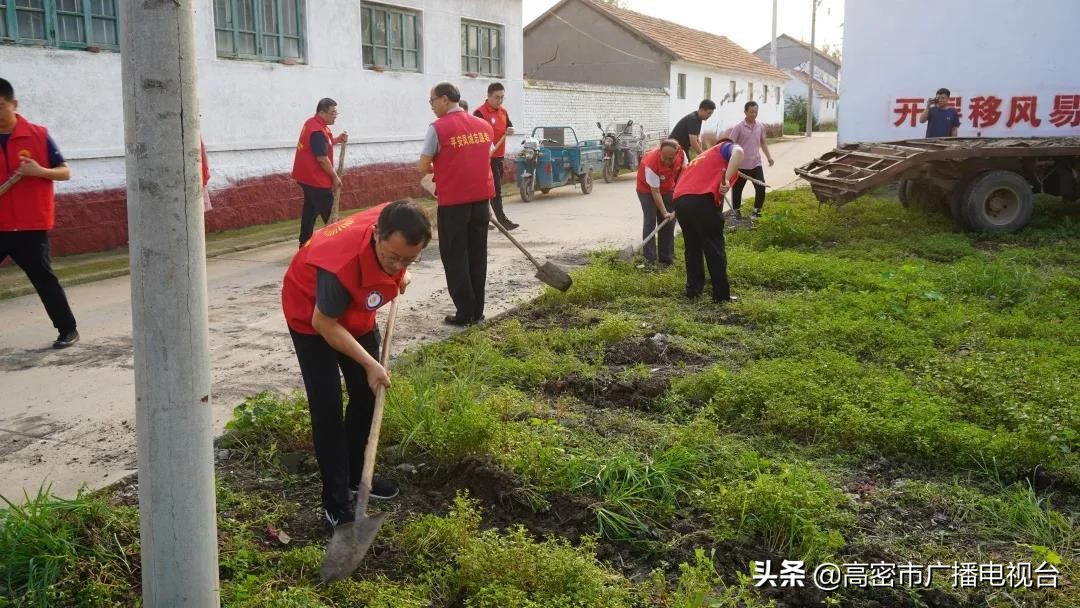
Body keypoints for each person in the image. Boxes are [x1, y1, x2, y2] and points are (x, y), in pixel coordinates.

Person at [281, 199, 430, 528]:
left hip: (355, 310)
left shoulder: (399, 219)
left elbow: (396, 259)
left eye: (408, 259)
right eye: (393, 257)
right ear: (377, 235)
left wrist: (399, 272)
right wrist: (370, 364)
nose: (398, 265)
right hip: (313, 318)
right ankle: (336, 502)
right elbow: (326, 324)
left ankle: (356, 477)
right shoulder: (340, 266)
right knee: (328, 407)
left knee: (367, 394)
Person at [0, 77, 79, 349]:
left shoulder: (38, 135)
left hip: (30, 226)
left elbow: (65, 172)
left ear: (14, 104)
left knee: (44, 279)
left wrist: (40, 172)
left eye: (0, 106)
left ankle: (68, 329)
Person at [418, 82, 495, 327]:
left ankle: (464, 312)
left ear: (443, 99)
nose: (431, 107)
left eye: (431, 102)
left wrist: (443, 170)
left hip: (454, 204)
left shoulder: (438, 128)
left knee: (455, 256)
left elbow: (422, 167)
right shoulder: (483, 126)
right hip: (481, 201)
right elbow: (486, 154)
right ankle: (477, 311)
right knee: (477, 254)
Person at [672, 137, 744, 303]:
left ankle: (693, 290)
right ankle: (721, 295)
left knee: (693, 247)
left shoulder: (702, 158)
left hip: (680, 200)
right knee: (714, 246)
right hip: (700, 199)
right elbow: (739, 152)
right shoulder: (724, 148)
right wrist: (726, 178)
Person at [292, 98, 348, 247]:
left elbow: (323, 145)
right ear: (322, 112)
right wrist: (335, 177)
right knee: (330, 214)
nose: (335, 116)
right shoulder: (317, 130)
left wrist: (337, 140)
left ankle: (304, 243)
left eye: (336, 112)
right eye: (332, 113)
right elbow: (322, 158)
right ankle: (338, 246)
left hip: (305, 176)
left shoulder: (314, 124)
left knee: (310, 211)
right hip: (315, 178)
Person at [473, 82, 518, 230]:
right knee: (494, 190)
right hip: (485, 159)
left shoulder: (503, 112)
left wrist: (510, 130)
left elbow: (509, 126)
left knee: (492, 190)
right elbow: (475, 136)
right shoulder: (479, 113)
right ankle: (502, 221)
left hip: (499, 157)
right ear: (488, 96)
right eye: (496, 97)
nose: (499, 100)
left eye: (502, 97)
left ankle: (485, 219)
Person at [634, 139, 685, 266]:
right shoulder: (651, 162)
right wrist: (664, 212)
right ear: (660, 152)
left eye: (671, 158)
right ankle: (649, 260)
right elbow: (655, 192)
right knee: (650, 220)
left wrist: (679, 197)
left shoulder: (682, 156)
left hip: (667, 188)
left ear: (677, 153)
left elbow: (683, 176)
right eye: (664, 158)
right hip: (646, 190)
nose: (667, 161)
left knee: (668, 222)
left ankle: (666, 257)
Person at [726, 101, 775, 221]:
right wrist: (730, 162)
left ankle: (757, 211)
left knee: (760, 188)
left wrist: (769, 157)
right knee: (737, 189)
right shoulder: (738, 127)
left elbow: (763, 142)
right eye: (751, 112)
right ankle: (736, 212)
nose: (754, 114)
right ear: (745, 112)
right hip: (740, 166)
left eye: (756, 112)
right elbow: (730, 145)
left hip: (756, 164)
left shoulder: (760, 126)